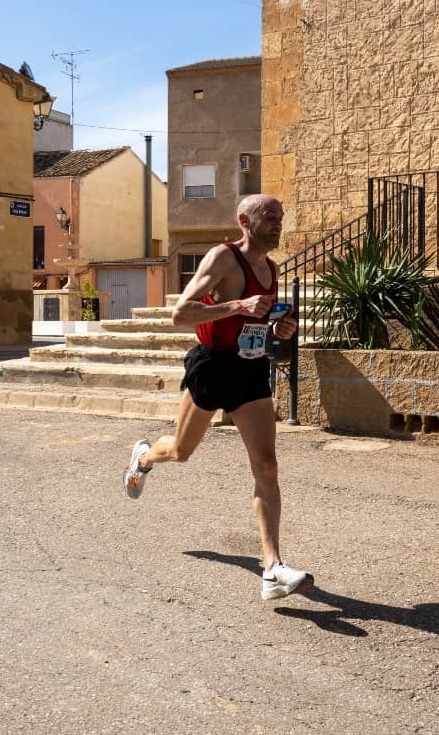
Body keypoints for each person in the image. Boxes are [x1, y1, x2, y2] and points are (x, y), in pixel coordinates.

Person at [122, 194, 314, 601]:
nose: (278, 223)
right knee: (180, 451)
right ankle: (143, 459)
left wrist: (278, 328)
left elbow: (256, 319)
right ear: (245, 220)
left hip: (250, 368)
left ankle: (272, 568)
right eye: (270, 217)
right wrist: (238, 304)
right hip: (212, 366)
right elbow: (181, 313)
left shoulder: (271, 268)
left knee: (267, 466)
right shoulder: (223, 258)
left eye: (280, 217)